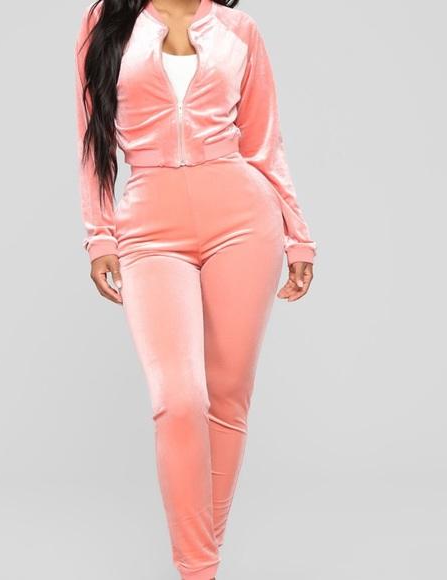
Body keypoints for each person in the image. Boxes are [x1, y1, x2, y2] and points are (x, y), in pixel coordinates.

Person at [74, 1, 317, 577]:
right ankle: (200, 568)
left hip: (243, 220)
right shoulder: (106, 22)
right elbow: (92, 138)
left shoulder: (240, 31)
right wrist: (99, 234)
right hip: (149, 225)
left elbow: (265, 143)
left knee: (227, 398)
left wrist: (298, 237)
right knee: (179, 400)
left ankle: (198, 570)